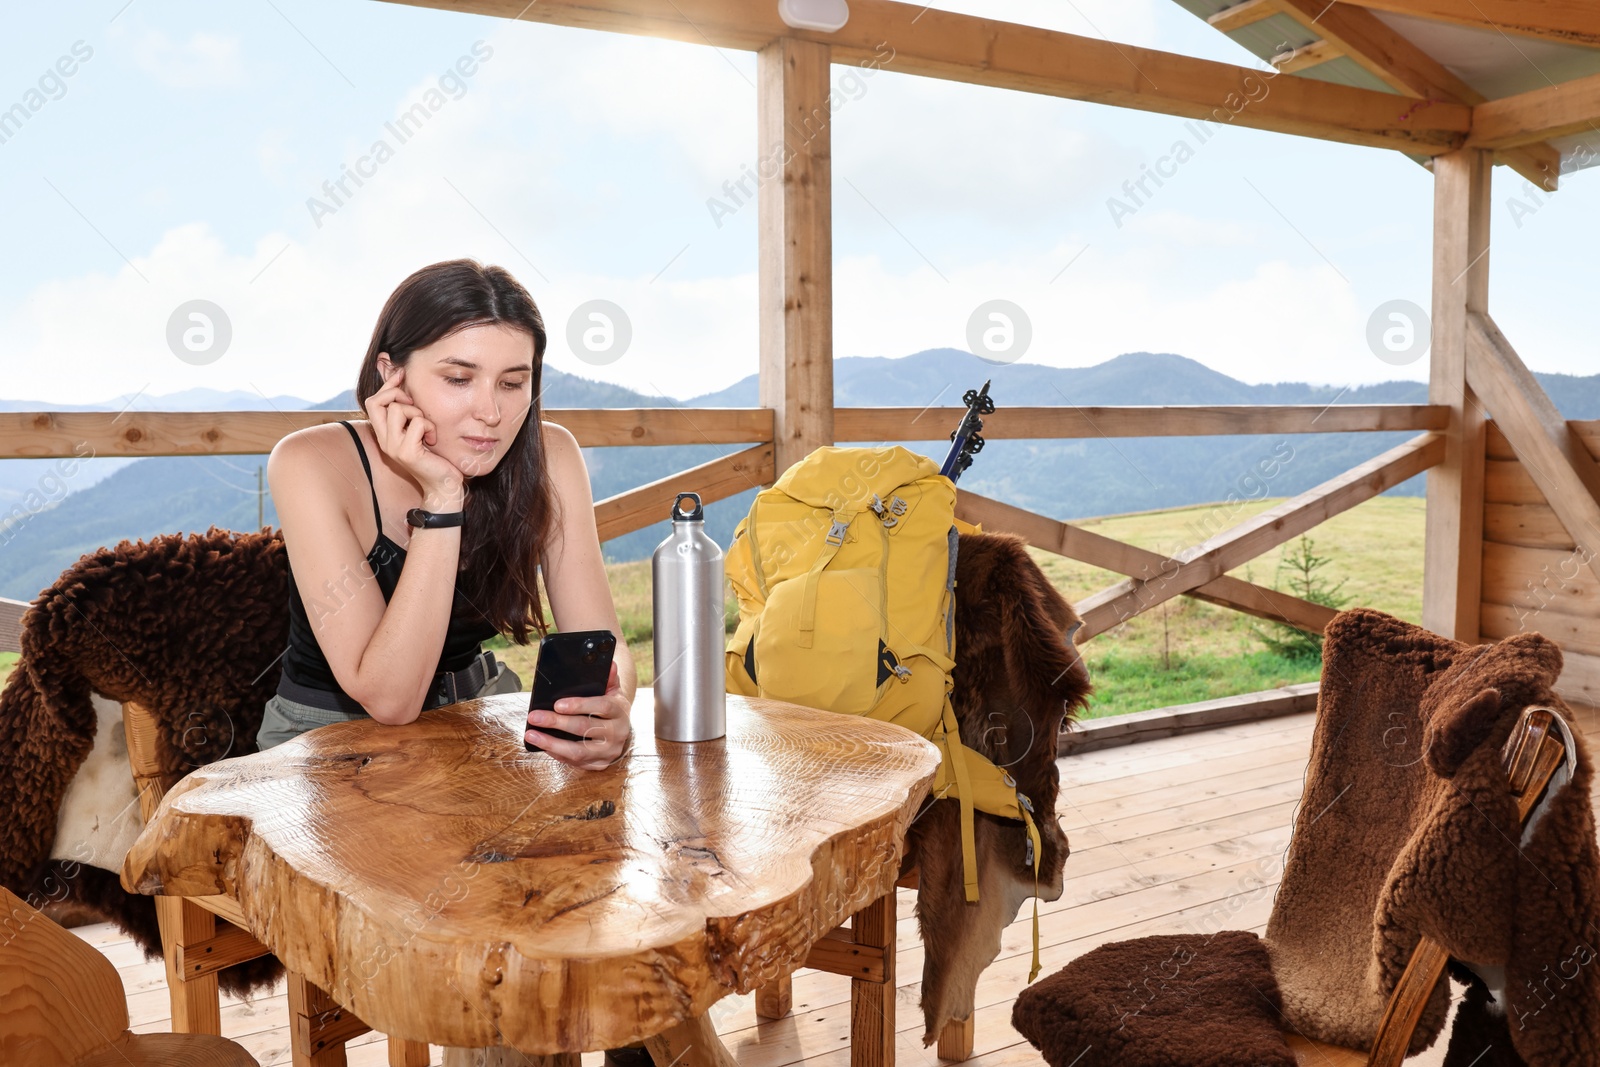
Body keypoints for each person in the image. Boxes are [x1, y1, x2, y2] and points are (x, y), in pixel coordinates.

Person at [257, 257, 635, 772]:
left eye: (511, 382)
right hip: (326, 739)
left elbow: (600, 643)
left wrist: (610, 707)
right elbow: (390, 700)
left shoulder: (552, 455)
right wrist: (442, 495)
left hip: (478, 716)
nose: (492, 413)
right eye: (459, 378)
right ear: (391, 375)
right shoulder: (309, 463)